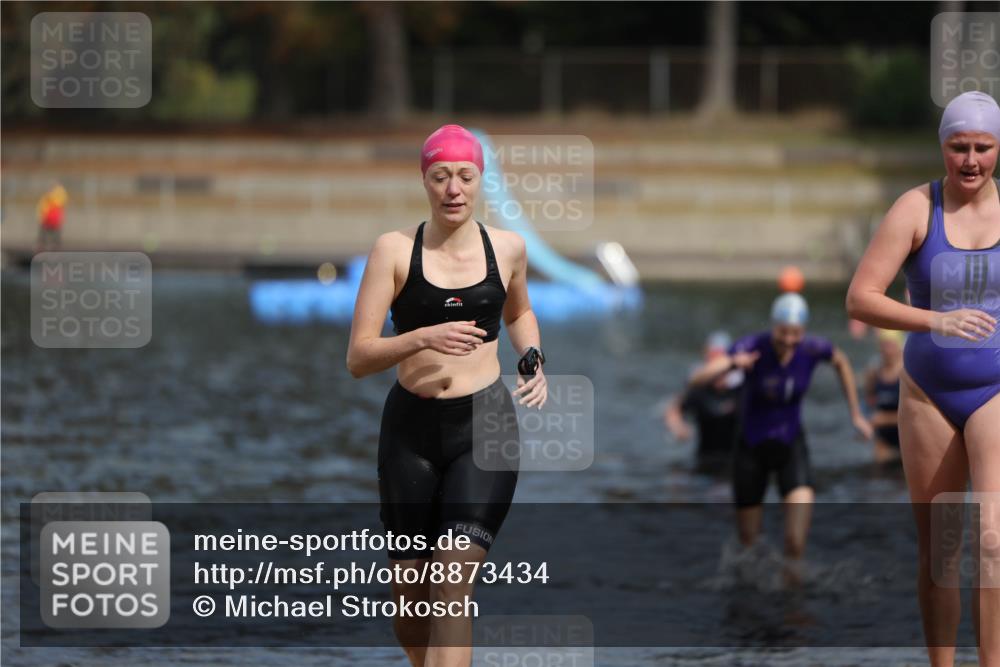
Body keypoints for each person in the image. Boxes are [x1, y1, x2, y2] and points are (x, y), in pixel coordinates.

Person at [346, 124, 547, 667]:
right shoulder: (394, 251)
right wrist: (422, 337)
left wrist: (531, 357)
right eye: (441, 177)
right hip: (410, 434)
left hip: (485, 428)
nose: (453, 188)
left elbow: (520, 312)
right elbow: (359, 358)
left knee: (451, 585)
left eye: (465, 176)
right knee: (412, 613)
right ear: (425, 182)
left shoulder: (507, 249)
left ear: (479, 180)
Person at [846, 90, 1000, 667]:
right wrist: (938, 319)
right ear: (942, 147)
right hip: (928, 394)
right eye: (959, 147)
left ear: (998, 148)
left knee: (992, 542)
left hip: (995, 391)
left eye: (983, 148)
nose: (970, 160)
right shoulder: (916, 208)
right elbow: (860, 299)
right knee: (941, 552)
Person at [689, 293, 872, 569]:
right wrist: (731, 363)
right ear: (773, 326)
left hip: (791, 447)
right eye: (782, 332)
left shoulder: (811, 349)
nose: (788, 340)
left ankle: (792, 601)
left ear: (804, 330)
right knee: (749, 547)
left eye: (795, 333)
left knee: (795, 545)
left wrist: (855, 413)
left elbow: (841, 362)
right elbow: (698, 378)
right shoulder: (752, 347)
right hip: (751, 449)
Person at [664, 330, 743, 475]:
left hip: (735, 462)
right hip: (705, 461)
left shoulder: (741, 390)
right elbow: (673, 410)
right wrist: (679, 428)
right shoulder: (699, 392)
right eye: (712, 361)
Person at [863, 328, 904, 463]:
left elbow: (917, 415)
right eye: (884, 345)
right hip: (883, 438)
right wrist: (866, 424)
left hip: (906, 435)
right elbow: (868, 404)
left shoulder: (907, 373)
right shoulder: (874, 373)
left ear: (899, 346)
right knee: (878, 473)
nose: (887, 350)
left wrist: (884, 419)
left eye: (890, 345)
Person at [36, 183, 67, 252]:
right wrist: (41, 215)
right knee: (44, 231)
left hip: (53, 217)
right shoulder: (47, 197)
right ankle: (42, 245)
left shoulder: (57, 195)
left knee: (55, 232)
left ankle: (56, 245)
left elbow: (60, 202)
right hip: (47, 217)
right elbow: (42, 206)